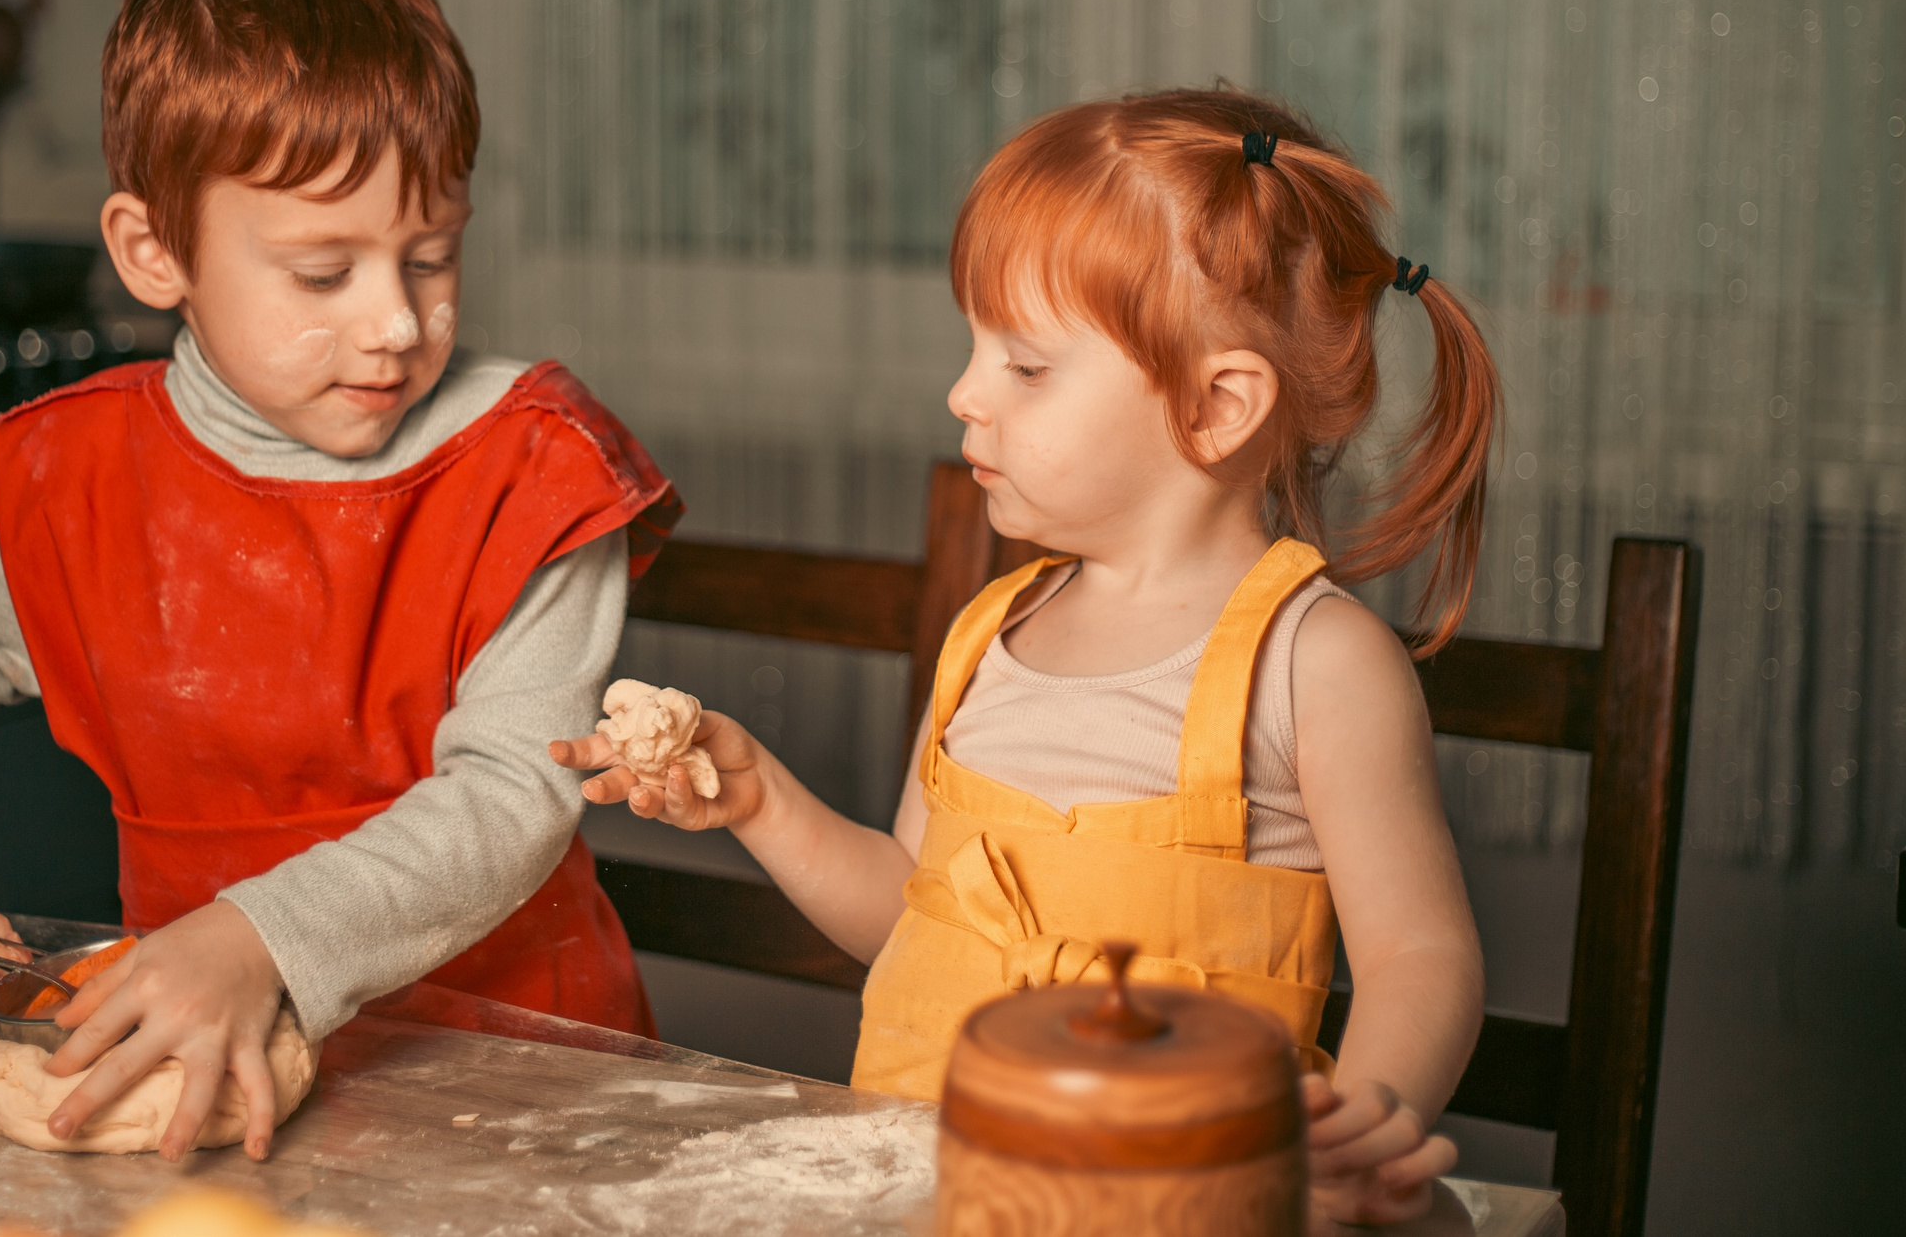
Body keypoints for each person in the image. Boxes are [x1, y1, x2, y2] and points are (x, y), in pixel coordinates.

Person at [0, 0, 678, 1162]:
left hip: (524, 1084)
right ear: (153, 251)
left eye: (430, 256)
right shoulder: (63, 479)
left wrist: (255, 941)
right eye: (323, 274)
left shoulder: (532, 472)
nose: (395, 322)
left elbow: (513, 795)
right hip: (199, 1088)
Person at [556, 90, 1496, 1224]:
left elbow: (1420, 956)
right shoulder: (987, 635)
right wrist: (762, 802)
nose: (963, 393)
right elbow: (915, 920)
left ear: (1215, 407)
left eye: (1027, 367)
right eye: (974, 351)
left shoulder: (1317, 667)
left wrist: (1357, 1128)